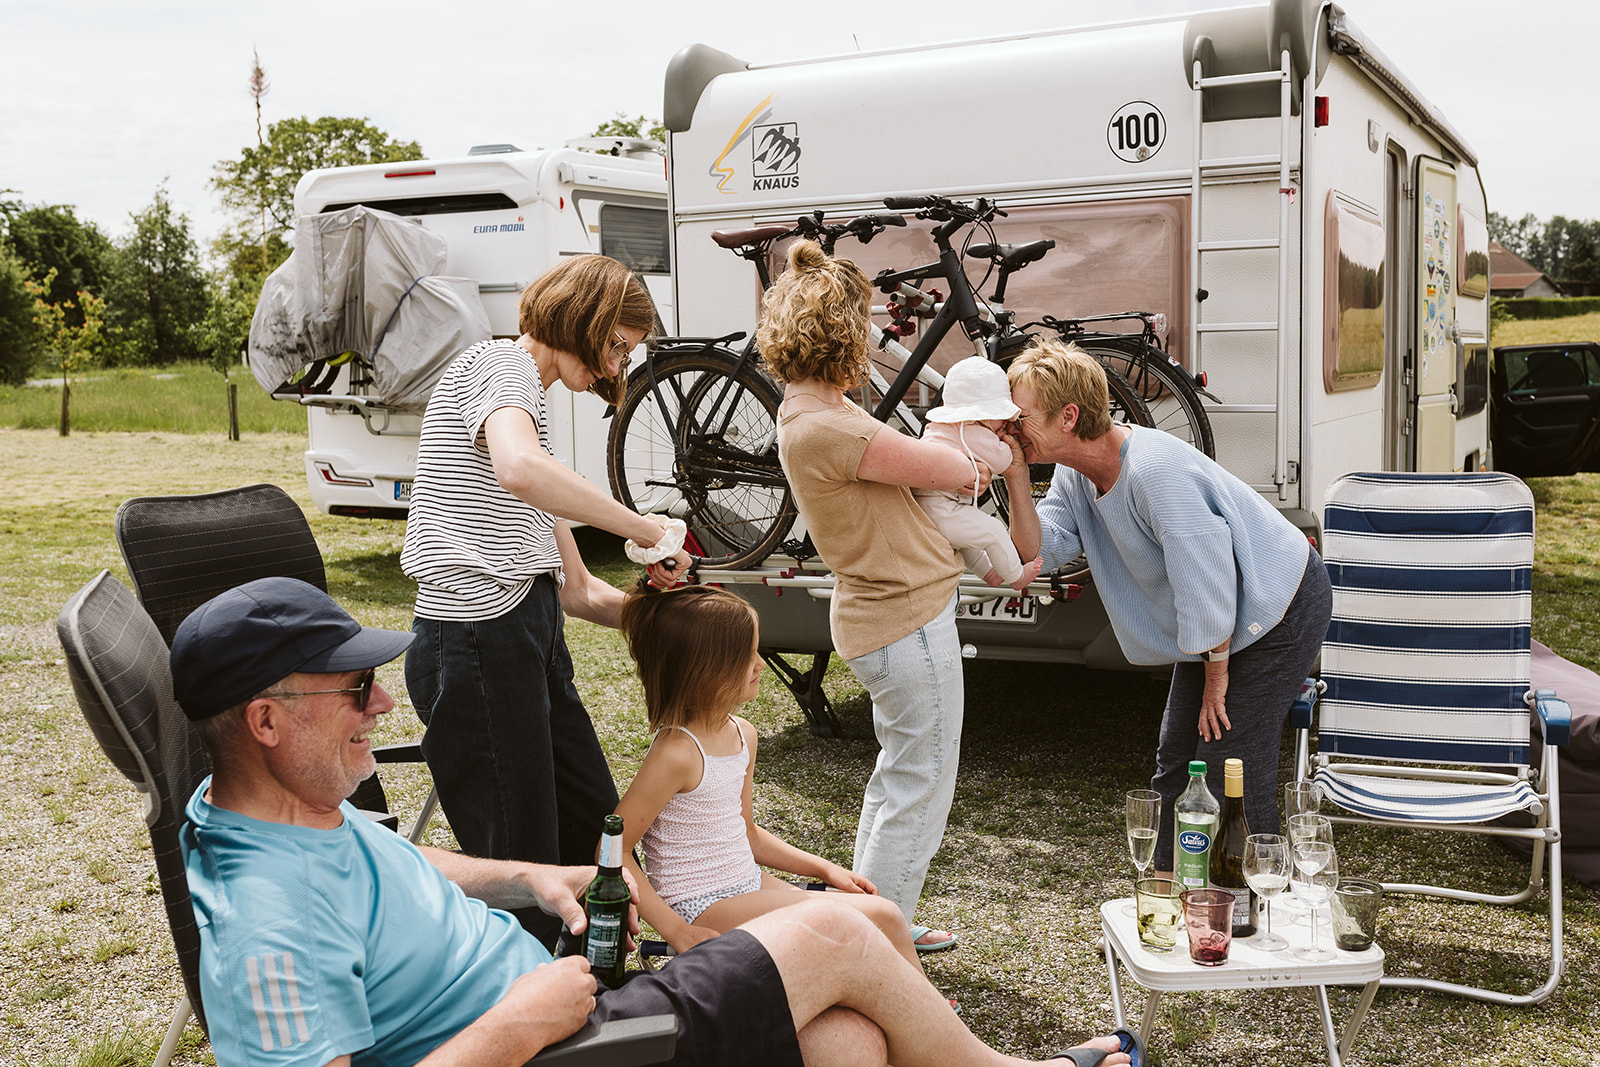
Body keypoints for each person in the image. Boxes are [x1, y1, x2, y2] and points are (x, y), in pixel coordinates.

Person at [170, 576, 1134, 1067]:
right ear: (264, 720)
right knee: (840, 929)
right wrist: (512, 1026)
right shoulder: (268, 926)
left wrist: (529, 878)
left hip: (561, 1007)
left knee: (852, 1042)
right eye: (357, 689)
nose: (384, 705)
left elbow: (393, 859)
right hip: (555, 1044)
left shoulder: (283, 812)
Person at [399, 254, 691, 946]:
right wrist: (645, 527)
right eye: (616, 345)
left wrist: (671, 618)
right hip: (472, 645)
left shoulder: (529, 407)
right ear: (584, 317)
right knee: (527, 871)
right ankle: (536, 1014)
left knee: (599, 830)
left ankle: (602, 987)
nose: (617, 367)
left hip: (524, 639)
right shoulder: (501, 369)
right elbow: (518, 468)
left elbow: (579, 591)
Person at [761, 239, 1014, 952]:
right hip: (902, 617)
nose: (875, 346)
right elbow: (957, 469)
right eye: (866, 333)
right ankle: (879, 952)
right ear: (842, 337)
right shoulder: (831, 426)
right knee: (920, 785)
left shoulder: (809, 414)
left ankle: (878, 920)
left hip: (885, 616)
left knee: (899, 776)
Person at [1000, 339, 1333, 872]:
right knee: (1177, 757)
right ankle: (1166, 883)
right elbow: (1037, 550)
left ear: (1068, 416)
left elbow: (1207, 578)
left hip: (1279, 604)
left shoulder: (1154, 470)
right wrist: (1016, 474)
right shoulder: (1074, 473)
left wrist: (1216, 677)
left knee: (1231, 761)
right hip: (1218, 617)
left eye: (1021, 418)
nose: (1010, 428)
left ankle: (1250, 903)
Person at [612, 580, 928, 973]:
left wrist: (824, 868)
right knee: (876, 920)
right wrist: (677, 931)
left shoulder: (743, 734)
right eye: (747, 656)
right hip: (701, 906)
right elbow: (613, 849)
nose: (761, 663)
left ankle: (917, 1015)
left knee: (883, 913)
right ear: (707, 669)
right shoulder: (677, 752)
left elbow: (747, 833)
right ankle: (926, 1023)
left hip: (749, 885)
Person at [913, 357, 1045, 591]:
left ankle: (991, 573)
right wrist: (1008, 443)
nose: (1007, 422)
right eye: (1001, 415)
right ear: (980, 414)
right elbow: (1003, 460)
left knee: (968, 544)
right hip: (942, 510)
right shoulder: (973, 431)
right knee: (992, 530)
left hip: (935, 510)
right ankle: (1016, 577)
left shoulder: (947, 428)